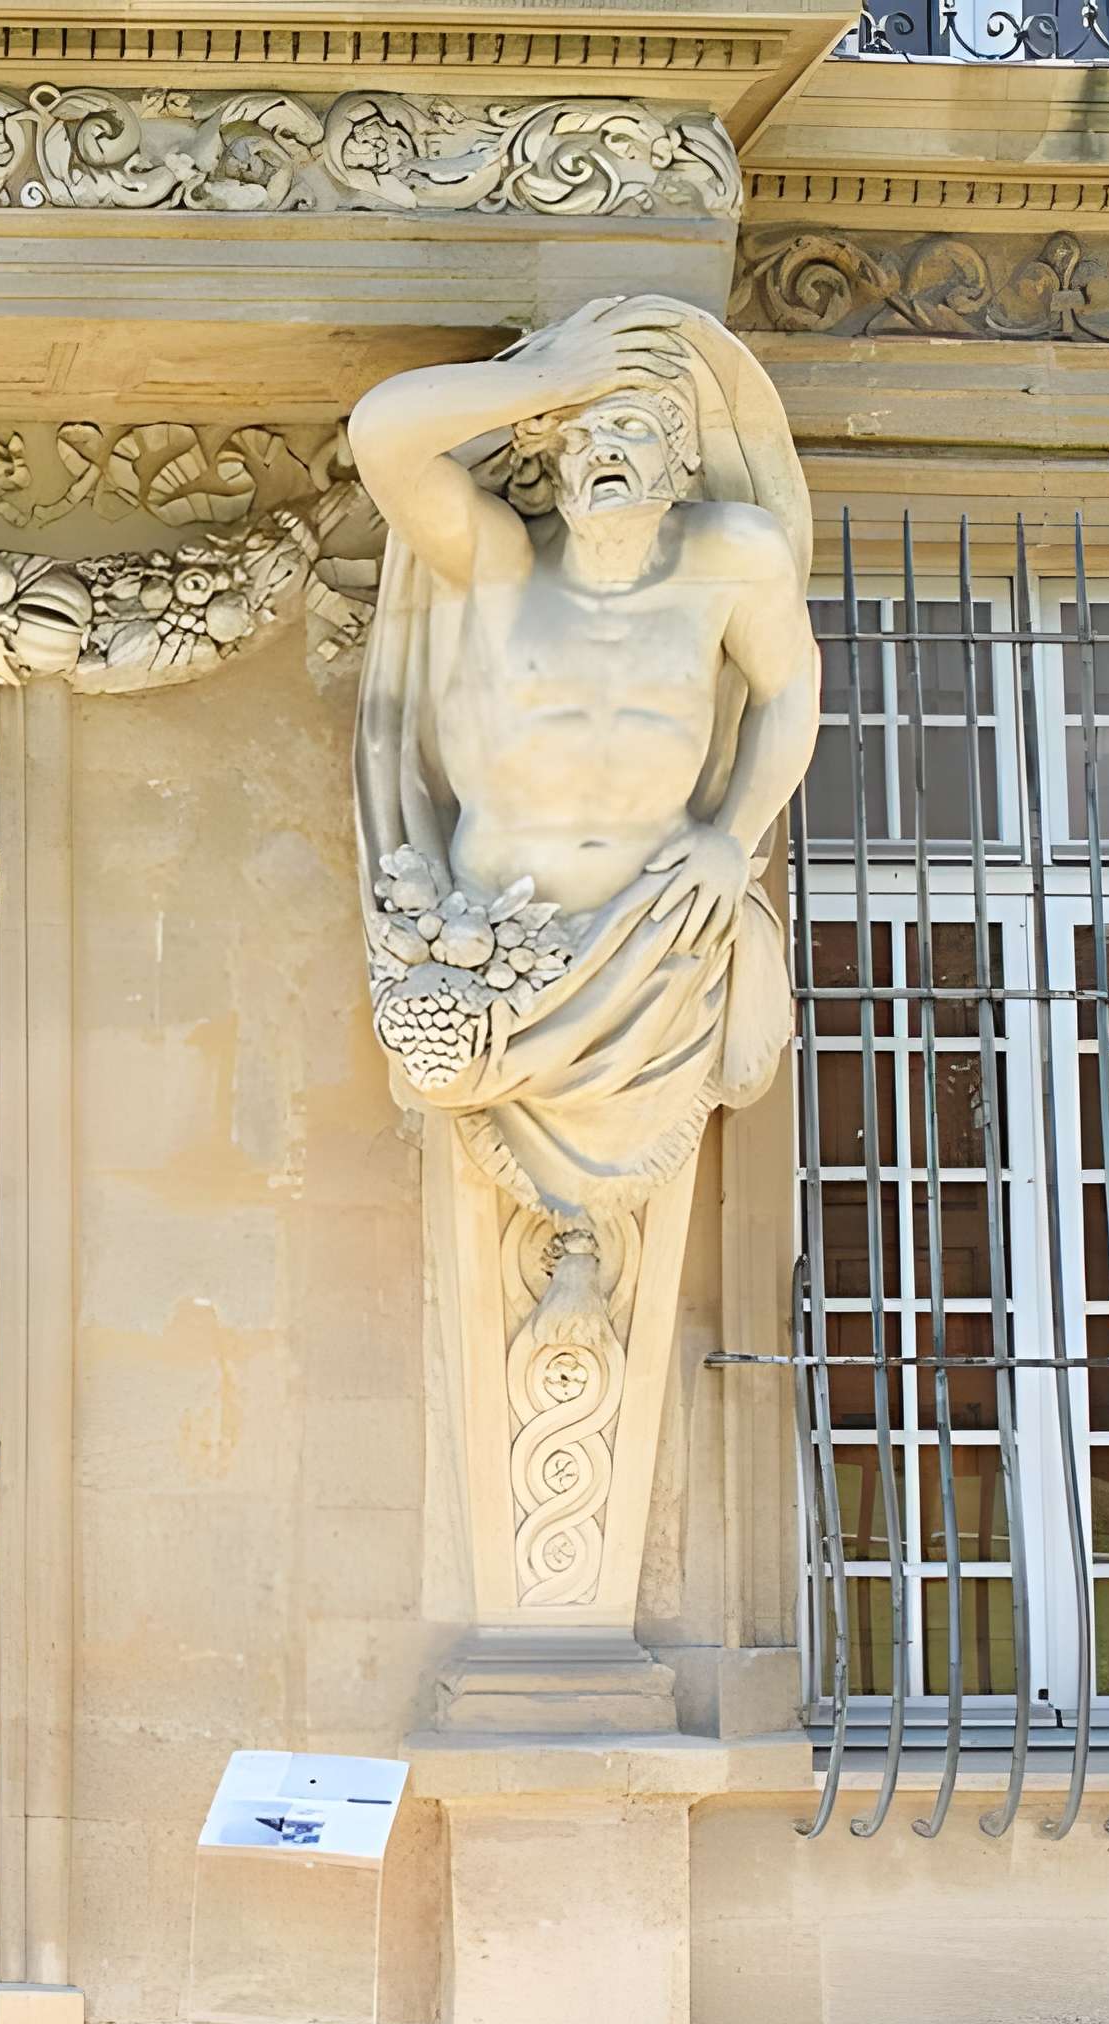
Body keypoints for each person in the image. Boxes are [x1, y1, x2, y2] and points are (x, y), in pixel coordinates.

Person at [345, 295, 818, 1285]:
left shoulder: (729, 557)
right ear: (553, 461)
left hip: (655, 942)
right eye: (584, 436)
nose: (604, 448)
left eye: (631, 428)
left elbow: (785, 694)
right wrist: (549, 382)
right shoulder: (499, 564)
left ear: (678, 460)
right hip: (493, 963)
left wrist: (733, 834)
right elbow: (382, 436)